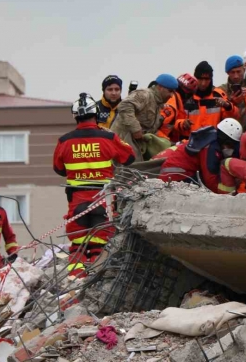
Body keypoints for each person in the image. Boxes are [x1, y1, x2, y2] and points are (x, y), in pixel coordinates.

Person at [53, 93, 136, 276]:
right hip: (103, 201)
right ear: (96, 114)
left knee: (78, 246)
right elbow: (129, 157)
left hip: (76, 202)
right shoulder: (108, 138)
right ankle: (96, 281)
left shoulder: (64, 141)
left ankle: (75, 283)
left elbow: (59, 169)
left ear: (75, 116)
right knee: (101, 243)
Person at [158, 118, 242, 193]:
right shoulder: (210, 147)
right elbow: (211, 182)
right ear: (224, 140)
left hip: (173, 173)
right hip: (175, 177)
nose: (231, 149)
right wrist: (228, 194)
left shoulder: (210, 139)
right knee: (205, 190)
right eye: (229, 144)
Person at [111, 74, 178, 160]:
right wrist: (135, 128)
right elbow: (124, 106)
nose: (172, 95)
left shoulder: (158, 104)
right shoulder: (144, 95)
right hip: (122, 141)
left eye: (173, 92)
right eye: (170, 91)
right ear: (160, 87)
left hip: (135, 145)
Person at [185, 61, 239, 133]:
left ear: (211, 79)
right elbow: (177, 121)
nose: (203, 83)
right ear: (195, 78)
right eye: (200, 79)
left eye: (207, 79)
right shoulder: (188, 96)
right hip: (192, 141)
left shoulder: (218, 94)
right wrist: (183, 124)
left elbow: (233, 118)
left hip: (214, 141)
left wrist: (227, 106)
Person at [157, 73, 198, 142]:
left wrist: (182, 124)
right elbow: (158, 127)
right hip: (159, 141)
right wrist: (168, 143)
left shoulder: (176, 102)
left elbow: (171, 123)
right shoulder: (172, 106)